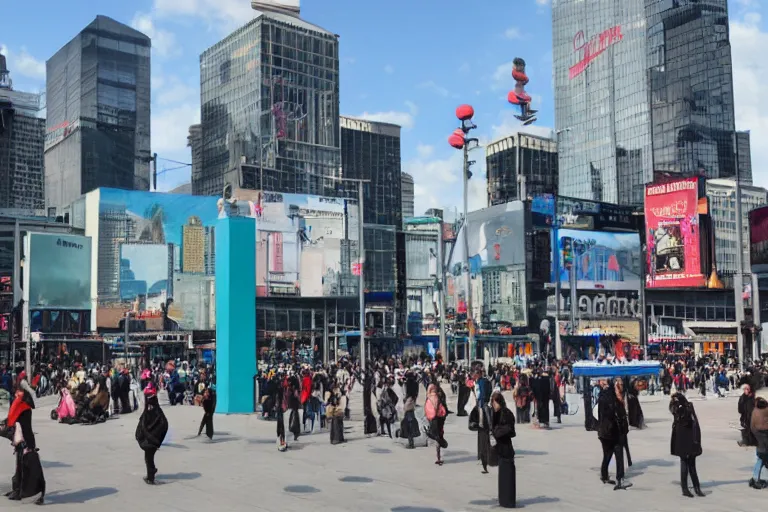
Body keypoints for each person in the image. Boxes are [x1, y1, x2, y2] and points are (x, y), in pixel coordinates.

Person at [5, 387, 45, 504]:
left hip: (25, 441)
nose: (16, 393)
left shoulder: (23, 407)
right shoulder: (21, 405)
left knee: (26, 468)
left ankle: (22, 491)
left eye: (19, 391)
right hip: (23, 440)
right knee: (20, 466)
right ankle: (17, 489)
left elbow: (12, 421)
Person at [597, 379, 631, 490]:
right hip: (614, 431)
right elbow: (617, 415)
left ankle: (604, 475)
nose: (621, 387)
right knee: (618, 455)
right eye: (620, 384)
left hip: (603, 431)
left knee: (607, 454)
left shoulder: (602, 395)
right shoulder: (614, 399)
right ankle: (620, 479)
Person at [669, 393, 704, 497]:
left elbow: (695, 423)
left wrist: (697, 438)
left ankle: (696, 487)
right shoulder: (676, 410)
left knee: (691, 464)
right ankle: (685, 488)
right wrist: (676, 403)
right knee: (684, 462)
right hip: (681, 439)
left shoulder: (688, 407)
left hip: (691, 438)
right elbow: (674, 411)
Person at [135, 383, 168, 485]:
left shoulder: (156, 411)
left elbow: (163, 424)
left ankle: (151, 477)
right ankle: (151, 472)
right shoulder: (150, 410)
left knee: (149, 458)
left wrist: (153, 435)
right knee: (148, 457)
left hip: (152, 439)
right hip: (149, 438)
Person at [490, 391, 516, 508]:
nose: (494, 405)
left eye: (495, 403)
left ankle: (508, 500)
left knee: (508, 476)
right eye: (492, 403)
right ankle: (503, 499)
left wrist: (497, 431)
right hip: (500, 449)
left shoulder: (506, 413)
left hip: (506, 448)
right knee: (503, 477)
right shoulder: (494, 413)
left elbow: (510, 430)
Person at [469, 389, 495, 474]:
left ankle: (484, 458)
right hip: (483, 427)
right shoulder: (483, 406)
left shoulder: (485, 406)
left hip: (484, 427)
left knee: (484, 443)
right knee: (484, 442)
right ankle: (484, 457)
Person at [425, 383, 447, 465]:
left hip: (434, 419)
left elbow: (428, 412)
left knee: (436, 436)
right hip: (440, 418)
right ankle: (439, 456)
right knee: (439, 435)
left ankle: (438, 457)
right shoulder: (440, 396)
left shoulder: (429, 399)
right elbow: (444, 409)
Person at [750, 396, 768, 489]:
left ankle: (755, 478)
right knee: (762, 459)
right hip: (764, 441)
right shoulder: (765, 411)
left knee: (760, 459)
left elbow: (752, 426)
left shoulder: (755, 411)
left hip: (758, 439)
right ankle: (756, 479)